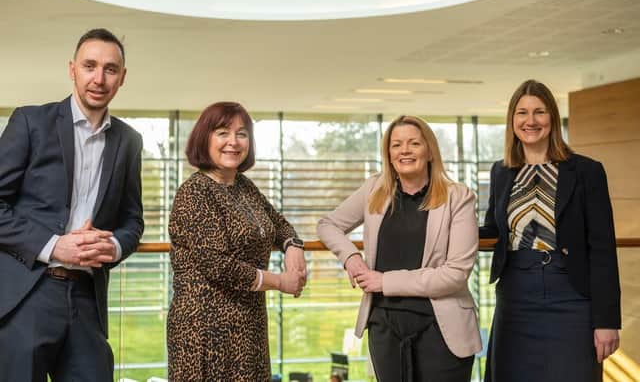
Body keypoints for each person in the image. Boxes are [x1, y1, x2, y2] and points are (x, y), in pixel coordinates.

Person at [0, 28, 144, 381]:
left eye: (110, 69)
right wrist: (54, 246)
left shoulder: (129, 141)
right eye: (89, 66)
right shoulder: (31, 122)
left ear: (122, 78)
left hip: (86, 299)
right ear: (72, 69)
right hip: (28, 294)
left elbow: (132, 220)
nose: (99, 78)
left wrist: (112, 246)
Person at [318, 115, 481, 382]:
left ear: (429, 151)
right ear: (389, 154)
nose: (404, 150)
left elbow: (455, 274)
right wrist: (351, 258)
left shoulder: (458, 197)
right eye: (396, 145)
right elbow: (328, 225)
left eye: (414, 143)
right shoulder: (374, 189)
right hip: (384, 326)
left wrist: (384, 281)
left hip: (441, 327)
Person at [480, 79, 621, 382]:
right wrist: (446, 225)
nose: (530, 121)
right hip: (515, 296)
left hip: (571, 297)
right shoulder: (501, 171)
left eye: (539, 112)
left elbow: (603, 250)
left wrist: (607, 321)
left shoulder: (586, 171)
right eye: (522, 113)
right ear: (512, 120)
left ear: (552, 119)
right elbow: (493, 229)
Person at [167, 101, 307, 381]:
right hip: (206, 330)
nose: (233, 142)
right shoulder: (195, 192)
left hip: (249, 323)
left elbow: (278, 224)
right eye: (222, 133)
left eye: (241, 134)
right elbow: (218, 265)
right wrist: (280, 281)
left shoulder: (243, 186)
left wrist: (293, 246)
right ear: (204, 139)